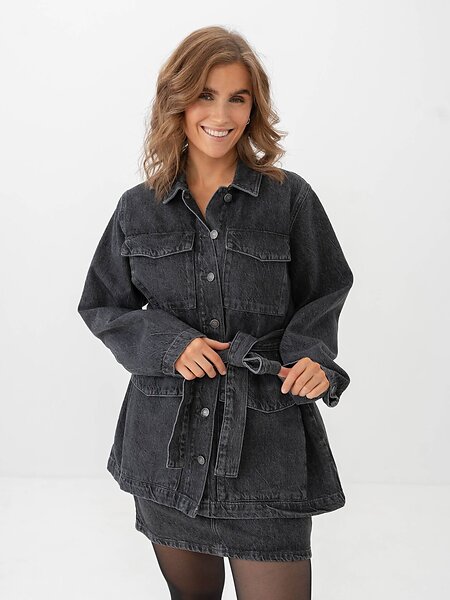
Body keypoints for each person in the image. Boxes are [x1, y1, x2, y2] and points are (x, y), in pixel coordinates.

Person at [77, 25, 354, 600]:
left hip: (265, 447)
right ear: (177, 100)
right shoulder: (138, 209)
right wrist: (166, 345)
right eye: (206, 95)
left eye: (237, 98)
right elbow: (103, 304)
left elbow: (325, 291)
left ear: (254, 108)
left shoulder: (289, 199)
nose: (221, 115)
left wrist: (312, 358)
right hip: (167, 448)